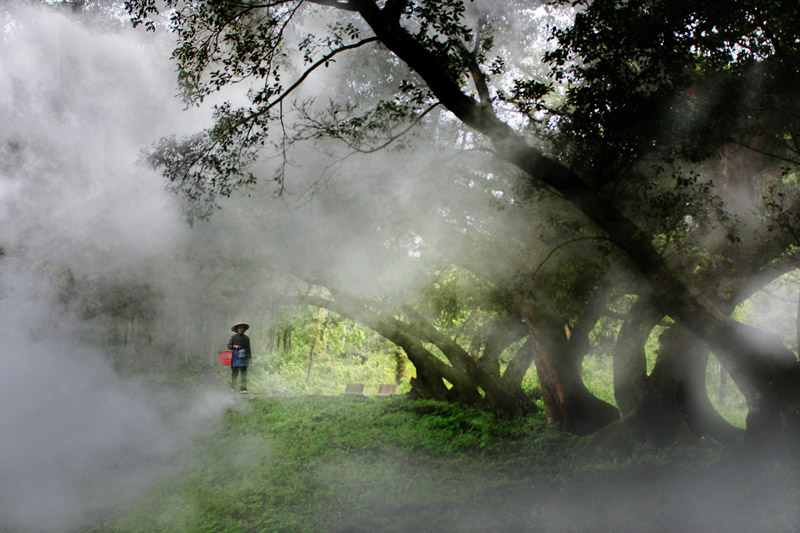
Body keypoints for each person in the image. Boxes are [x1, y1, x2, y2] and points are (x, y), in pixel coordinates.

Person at [227, 321, 251, 393]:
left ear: (244, 329)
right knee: (234, 372)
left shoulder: (247, 338)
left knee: (243, 373)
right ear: (237, 330)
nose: (241, 329)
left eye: (242, 328)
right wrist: (234, 346)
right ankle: (233, 387)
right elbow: (229, 346)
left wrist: (250, 357)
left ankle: (243, 388)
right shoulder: (233, 337)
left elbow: (249, 348)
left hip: (244, 357)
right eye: (240, 328)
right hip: (236, 358)